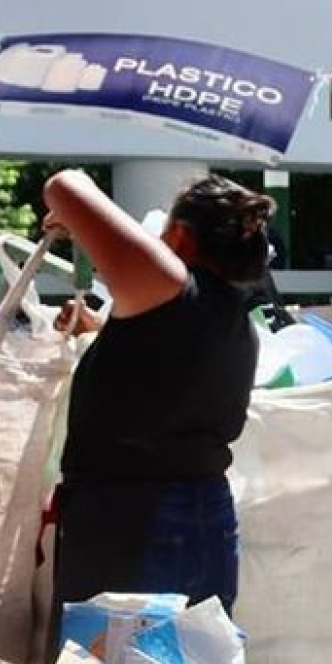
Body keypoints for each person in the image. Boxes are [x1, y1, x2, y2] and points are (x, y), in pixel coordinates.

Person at [43, 169, 273, 629]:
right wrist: (99, 329)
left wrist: (78, 219)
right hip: (201, 514)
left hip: (136, 520)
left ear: (182, 235)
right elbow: (160, 368)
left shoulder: (170, 282)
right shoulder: (230, 316)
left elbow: (64, 185)